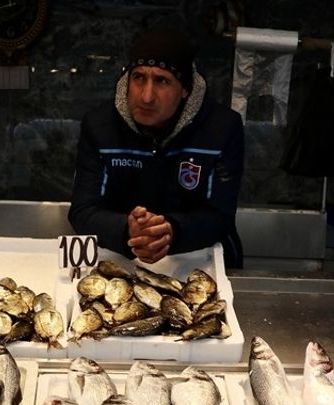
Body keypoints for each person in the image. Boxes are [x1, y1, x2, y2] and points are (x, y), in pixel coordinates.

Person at [68, 27, 245, 268]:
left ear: (185, 90)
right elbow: (83, 211)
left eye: (162, 81)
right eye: (139, 77)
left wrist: (171, 231)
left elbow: (219, 216)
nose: (147, 96)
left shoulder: (222, 128)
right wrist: (128, 229)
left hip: (201, 263)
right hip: (120, 260)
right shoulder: (99, 126)